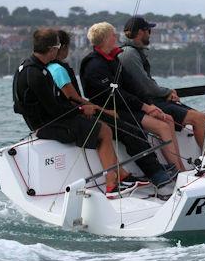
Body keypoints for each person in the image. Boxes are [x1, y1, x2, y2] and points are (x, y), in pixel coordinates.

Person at [13, 28, 138, 198]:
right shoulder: (36, 74)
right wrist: (81, 109)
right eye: (57, 48)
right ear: (52, 49)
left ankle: (120, 174)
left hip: (45, 120)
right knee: (104, 130)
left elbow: (20, 106)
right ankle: (111, 184)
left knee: (99, 124)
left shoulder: (26, 65)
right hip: (47, 125)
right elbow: (55, 110)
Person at [46, 30, 173, 188]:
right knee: (129, 131)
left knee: (130, 128)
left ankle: (141, 171)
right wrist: (103, 110)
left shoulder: (52, 67)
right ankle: (155, 174)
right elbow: (74, 99)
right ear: (61, 48)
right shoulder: (60, 69)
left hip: (82, 111)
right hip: (81, 113)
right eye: (68, 47)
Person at [80, 22, 189, 172]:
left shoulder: (113, 59)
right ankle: (179, 172)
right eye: (113, 35)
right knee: (162, 126)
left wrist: (150, 105)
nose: (117, 37)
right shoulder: (94, 65)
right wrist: (144, 107)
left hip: (128, 106)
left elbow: (132, 86)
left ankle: (181, 168)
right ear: (106, 39)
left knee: (167, 119)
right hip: (113, 110)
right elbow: (116, 95)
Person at [119, 16, 205, 156]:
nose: (150, 34)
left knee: (201, 118)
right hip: (147, 102)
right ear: (140, 32)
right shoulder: (129, 54)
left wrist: (166, 93)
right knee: (199, 119)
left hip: (150, 99)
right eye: (149, 31)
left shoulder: (133, 52)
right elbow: (145, 85)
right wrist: (166, 92)